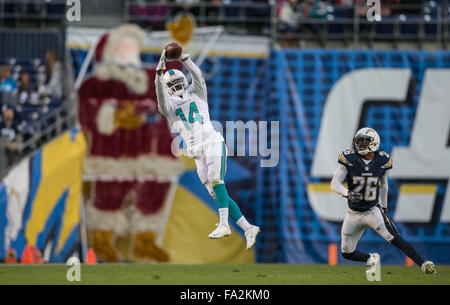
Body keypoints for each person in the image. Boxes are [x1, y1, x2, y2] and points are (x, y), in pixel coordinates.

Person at [155, 46, 260, 249]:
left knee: (216, 180)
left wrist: (185, 59)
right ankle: (248, 228)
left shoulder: (198, 95)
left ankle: (224, 225)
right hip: (196, 152)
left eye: (179, 82)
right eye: (173, 84)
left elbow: (199, 76)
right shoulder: (169, 107)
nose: (176, 86)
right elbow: (160, 95)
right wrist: (158, 75)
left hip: (212, 142)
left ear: (184, 81)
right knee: (216, 193)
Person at [330, 127, 437, 275]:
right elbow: (334, 183)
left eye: (364, 141)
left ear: (374, 143)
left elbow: (383, 185)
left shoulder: (382, 160)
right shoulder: (349, 159)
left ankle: (423, 264)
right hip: (353, 213)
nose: (360, 144)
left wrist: (384, 207)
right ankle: (371, 257)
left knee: (394, 238)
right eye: (359, 141)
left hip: (372, 211)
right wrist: (347, 193)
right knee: (346, 252)